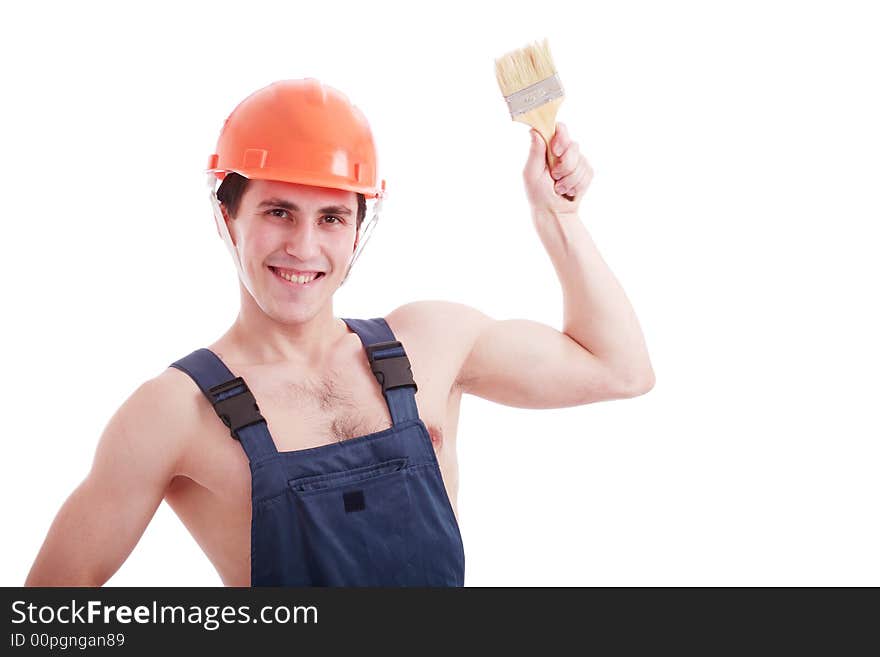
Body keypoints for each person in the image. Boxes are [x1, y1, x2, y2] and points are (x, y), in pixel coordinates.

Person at [25, 78, 654, 587]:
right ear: (227, 216)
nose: (304, 247)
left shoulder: (431, 344)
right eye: (278, 212)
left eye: (330, 216)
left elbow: (620, 369)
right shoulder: (172, 414)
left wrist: (557, 217)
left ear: (360, 227)